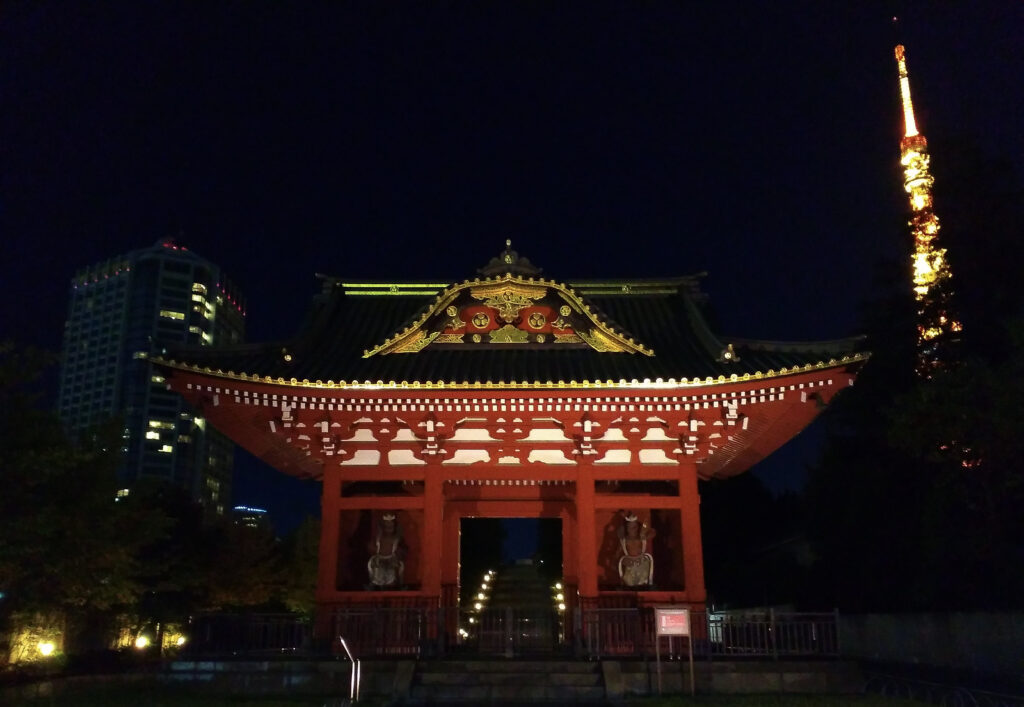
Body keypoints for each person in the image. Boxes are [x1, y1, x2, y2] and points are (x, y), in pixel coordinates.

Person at [617, 511, 654, 587]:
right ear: (626, 528)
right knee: (629, 583)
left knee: (643, 583)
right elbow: (617, 553)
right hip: (629, 565)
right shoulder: (624, 540)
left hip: (642, 564)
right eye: (629, 528)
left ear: (637, 528)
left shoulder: (641, 538)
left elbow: (652, 532)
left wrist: (645, 526)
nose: (632, 530)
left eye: (634, 527)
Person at [367, 512, 404, 589]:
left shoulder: (395, 538)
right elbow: (374, 547)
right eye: (386, 527)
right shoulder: (379, 538)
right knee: (377, 573)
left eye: (391, 527)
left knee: (395, 572)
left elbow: (398, 549)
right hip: (379, 559)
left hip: (391, 560)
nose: (388, 530)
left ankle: (398, 585)